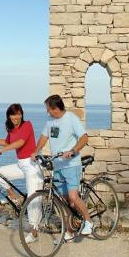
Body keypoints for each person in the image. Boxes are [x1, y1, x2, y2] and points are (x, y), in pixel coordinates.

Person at [32, 94, 93, 242]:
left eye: (48, 109)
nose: (47, 112)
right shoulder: (50, 121)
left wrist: (73, 151)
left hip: (71, 165)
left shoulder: (71, 119)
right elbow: (43, 137)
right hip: (57, 166)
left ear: (55, 108)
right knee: (65, 201)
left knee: (73, 197)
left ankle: (89, 222)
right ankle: (70, 232)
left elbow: (84, 137)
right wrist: (36, 151)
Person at [0, 103, 43, 244]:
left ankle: (34, 232)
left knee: (33, 198)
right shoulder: (12, 129)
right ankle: (14, 199)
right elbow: (7, 142)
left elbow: (20, 143)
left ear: (22, 114)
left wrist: (0, 151)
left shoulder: (27, 125)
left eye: (18, 114)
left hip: (32, 165)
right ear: (9, 116)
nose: (16, 117)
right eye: (13, 114)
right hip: (21, 164)